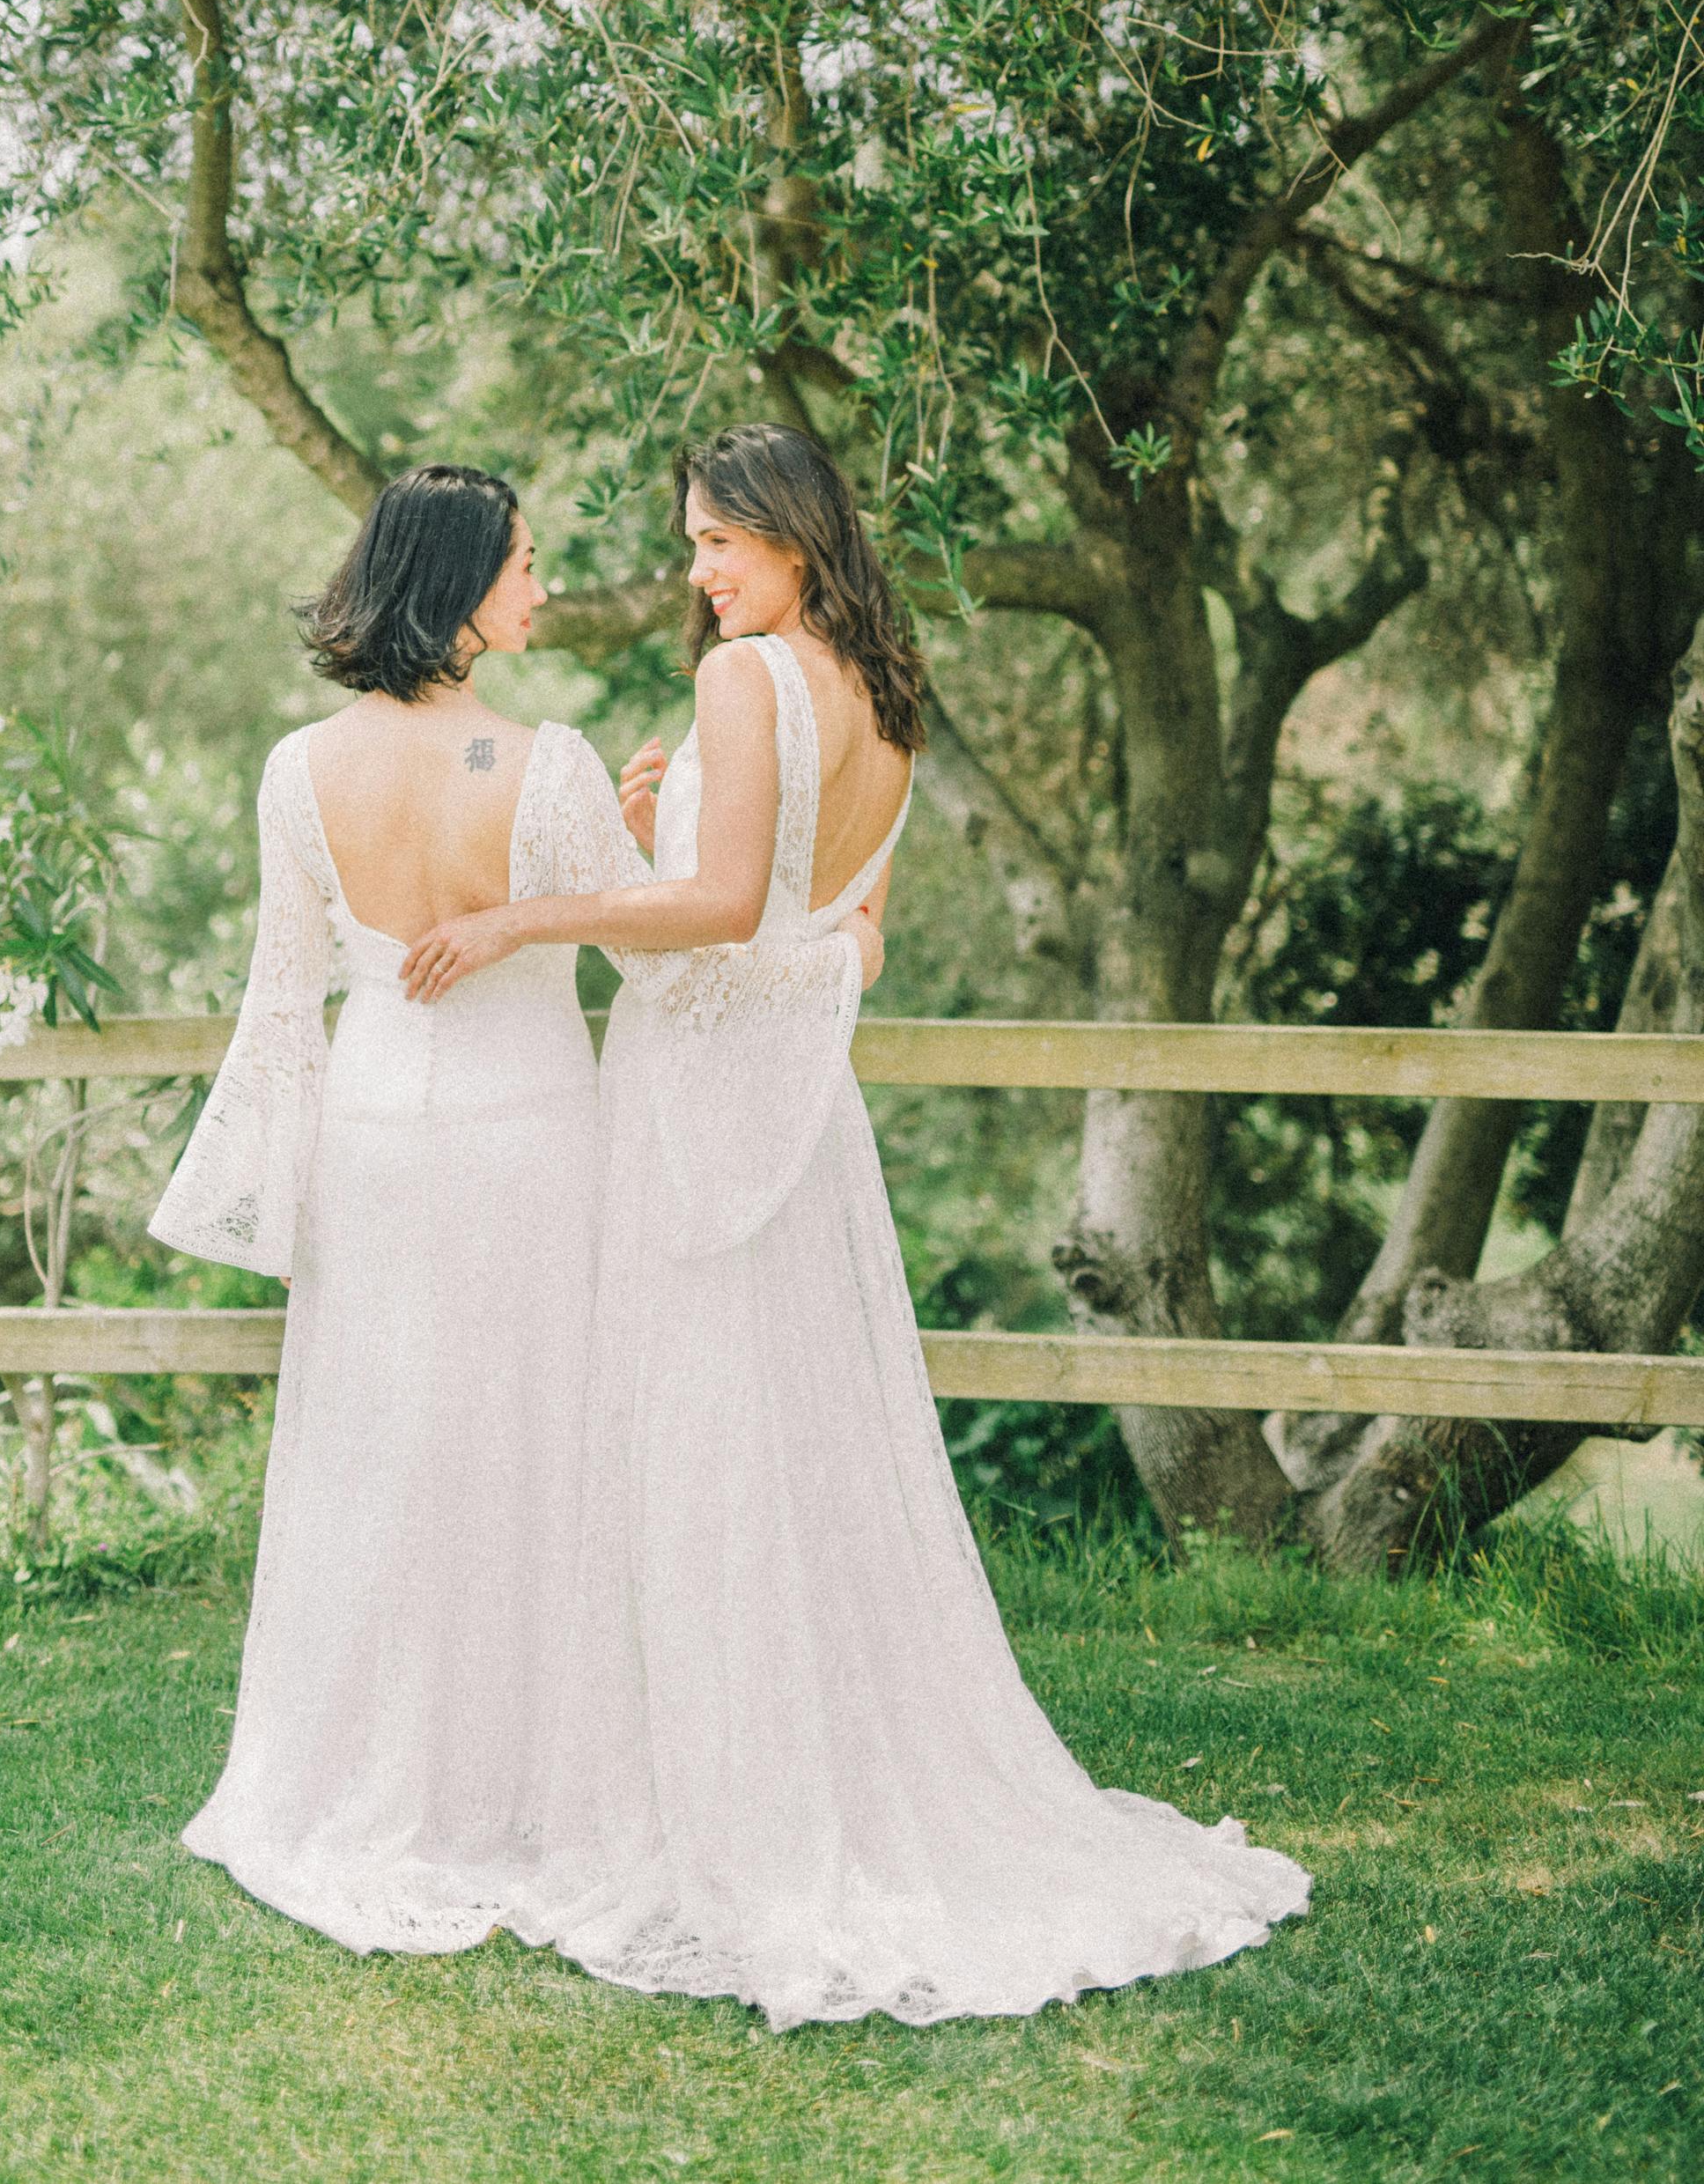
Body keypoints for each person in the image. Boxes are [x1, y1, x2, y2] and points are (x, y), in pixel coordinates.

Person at [403, 424, 1311, 2030]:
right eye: (695, 547)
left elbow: (725, 913)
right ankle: (800, 1768)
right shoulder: (886, 696)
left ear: (793, 538)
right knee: (795, 1449)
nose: (697, 575)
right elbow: (847, 939)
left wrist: (526, 913)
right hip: (804, 1121)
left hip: (696, 1110)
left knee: (696, 1446)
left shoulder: (746, 683)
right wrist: (656, 818)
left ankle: (728, 1813)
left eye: (716, 546)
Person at [146, 465, 653, 1952]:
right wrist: (644, 830)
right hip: (529, 1133)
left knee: (379, 1447)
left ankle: (358, 1777)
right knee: (532, 1443)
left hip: (375, 1134)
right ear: (460, 586)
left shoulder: (299, 769)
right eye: (526, 563)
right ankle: (521, 1789)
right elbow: (640, 941)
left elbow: (278, 992)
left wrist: (268, 1187)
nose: (543, 588)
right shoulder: (543, 761)